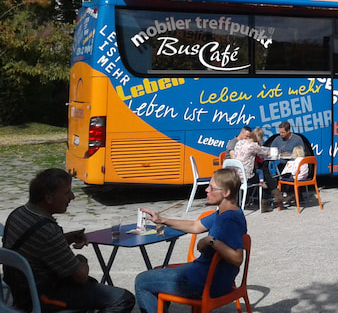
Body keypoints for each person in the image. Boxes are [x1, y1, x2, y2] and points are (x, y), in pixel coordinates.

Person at [3, 168, 135, 313]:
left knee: (93, 287)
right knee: (123, 299)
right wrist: (81, 259)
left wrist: (68, 238)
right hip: (42, 297)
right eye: (67, 193)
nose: (72, 197)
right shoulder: (49, 231)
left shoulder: (18, 214)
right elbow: (81, 277)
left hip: (21, 291)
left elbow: (40, 248)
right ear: (48, 198)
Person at [135, 168, 247, 313]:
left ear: (226, 193)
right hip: (209, 276)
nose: (206, 190)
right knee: (158, 274)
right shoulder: (228, 212)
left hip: (204, 283)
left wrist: (211, 241)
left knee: (142, 281)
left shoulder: (228, 220)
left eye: (211, 188)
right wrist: (161, 220)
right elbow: (195, 226)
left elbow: (237, 258)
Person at [231, 128, 285, 210]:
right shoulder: (253, 146)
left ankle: (275, 198)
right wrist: (269, 151)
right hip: (246, 177)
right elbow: (265, 154)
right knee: (265, 177)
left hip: (235, 175)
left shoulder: (240, 142)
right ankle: (273, 199)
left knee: (264, 173)